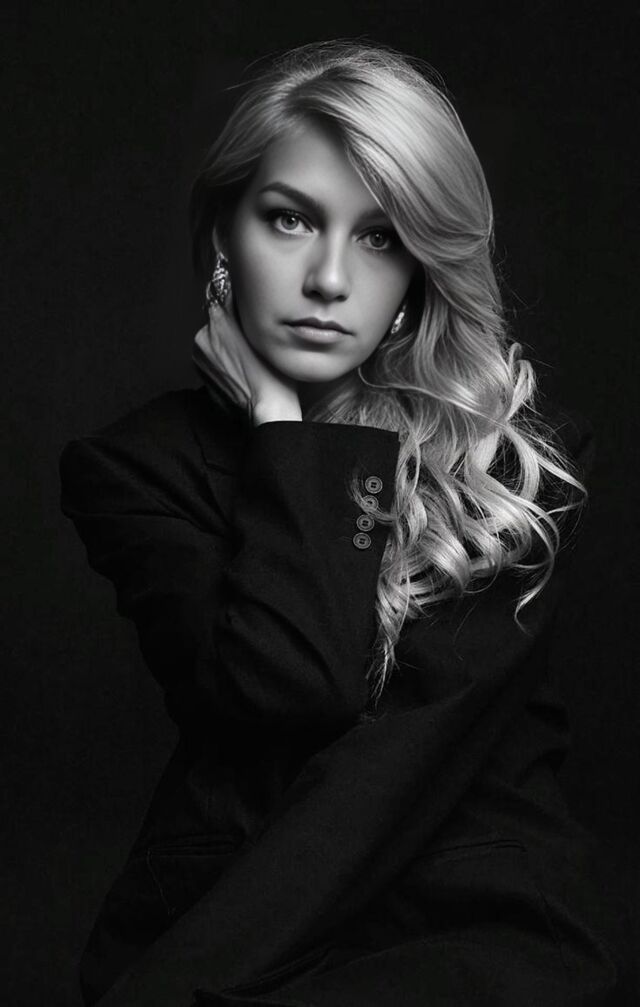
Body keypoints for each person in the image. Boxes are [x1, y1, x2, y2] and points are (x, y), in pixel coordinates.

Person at [59, 39, 633, 1007]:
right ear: (224, 232)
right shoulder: (137, 469)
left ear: (419, 269)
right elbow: (291, 686)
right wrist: (281, 430)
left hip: (472, 928)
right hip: (239, 910)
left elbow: (398, 760)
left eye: (379, 236)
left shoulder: (508, 466)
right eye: (289, 219)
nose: (329, 278)